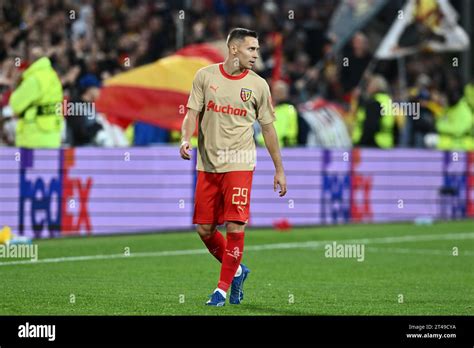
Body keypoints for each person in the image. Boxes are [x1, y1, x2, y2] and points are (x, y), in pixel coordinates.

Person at [179, 28, 287, 306]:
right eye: (252, 49)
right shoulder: (205, 76)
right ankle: (238, 271)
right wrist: (184, 138)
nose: (256, 55)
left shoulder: (259, 85)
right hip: (208, 164)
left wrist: (279, 169)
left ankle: (221, 290)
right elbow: (192, 113)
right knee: (204, 229)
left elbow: (268, 130)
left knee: (235, 226)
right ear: (234, 49)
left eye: (258, 50)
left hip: (240, 163)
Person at [9, 46, 64, 148]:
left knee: (30, 165)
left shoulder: (35, 79)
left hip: (34, 137)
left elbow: (15, 104)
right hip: (52, 135)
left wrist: (15, 84)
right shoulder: (53, 75)